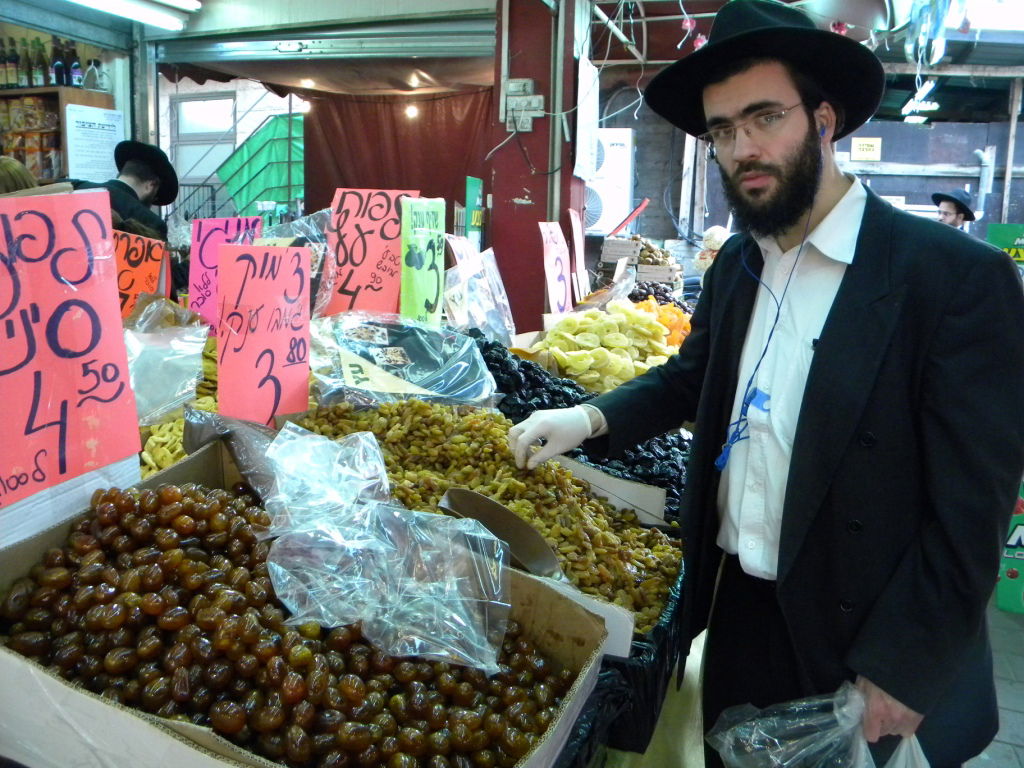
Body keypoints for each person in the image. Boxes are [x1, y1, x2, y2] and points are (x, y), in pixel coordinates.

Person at [508, 2, 1024, 766]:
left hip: (861, 637)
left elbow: (972, 508)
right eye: (721, 130)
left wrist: (905, 666)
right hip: (739, 615)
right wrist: (586, 418)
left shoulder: (950, 280)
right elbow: (692, 379)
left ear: (823, 118)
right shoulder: (738, 267)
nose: (742, 148)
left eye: (764, 117)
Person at [71, 140, 178, 239]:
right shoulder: (151, 223)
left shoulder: (73, 187)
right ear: (151, 185)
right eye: (155, 197)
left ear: (121, 174)